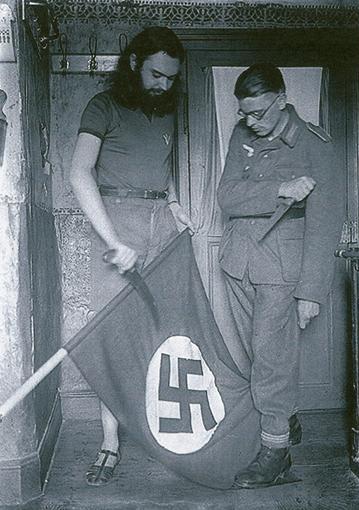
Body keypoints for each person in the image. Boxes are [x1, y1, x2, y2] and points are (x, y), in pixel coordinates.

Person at [69, 26, 194, 487]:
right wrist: (112, 241)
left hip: (160, 226)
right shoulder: (102, 106)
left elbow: (162, 173)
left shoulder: (166, 110)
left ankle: (159, 430)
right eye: (157, 74)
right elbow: (79, 173)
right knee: (114, 340)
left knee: (163, 336)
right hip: (114, 228)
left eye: (171, 78)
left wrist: (176, 204)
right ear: (136, 62)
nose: (164, 84)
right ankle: (110, 441)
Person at [217, 63, 342, 489]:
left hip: (282, 269)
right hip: (237, 261)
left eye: (258, 113)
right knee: (258, 356)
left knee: (271, 361)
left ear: (282, 100)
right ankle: (285, 417)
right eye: (244, 114)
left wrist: (311, 291)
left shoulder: (314, 142)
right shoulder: (242, 135)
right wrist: (280, 190)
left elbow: (325, 222)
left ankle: (276, 453)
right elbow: (227, 197)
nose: (250, 122)